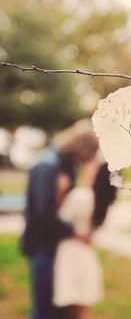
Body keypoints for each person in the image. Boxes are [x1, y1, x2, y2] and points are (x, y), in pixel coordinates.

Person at [21, 119, 99, 319]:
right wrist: (75, 234)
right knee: (45, 307)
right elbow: (43, 215)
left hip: (59, 247)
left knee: (60, 307)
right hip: (43, 247)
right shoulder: (48, 165)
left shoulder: (65, 165)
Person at [53, 159, 117, 319]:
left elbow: (59, 220)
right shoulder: (104, 202)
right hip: (86, 255)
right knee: (81, 307)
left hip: (70, 254)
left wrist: (60, 193)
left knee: (70, 307)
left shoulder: (80, 196)